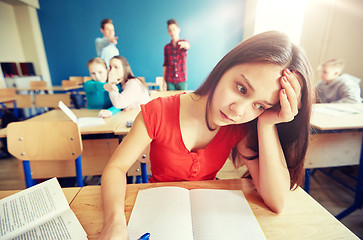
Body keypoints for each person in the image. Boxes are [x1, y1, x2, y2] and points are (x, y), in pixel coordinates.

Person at [97, 31, 315, 239]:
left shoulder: (240, 127)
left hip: (207, 216)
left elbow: (277, 201)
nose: (238, 111)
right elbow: (116, 168)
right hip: (157, 213)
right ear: (224, 67)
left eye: (259, 106)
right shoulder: (157, 112)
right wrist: (114, 222)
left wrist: (267, 124)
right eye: (241, 88)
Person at [162, 19, 190, 91]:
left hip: (182, 79)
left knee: (182, 100)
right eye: (170, 30)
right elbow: (165, 64)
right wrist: (163, 81)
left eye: (174, 29)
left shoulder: (183, 42)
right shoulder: (167, 47)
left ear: (178, 30)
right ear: (168, 32)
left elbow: (187, 46)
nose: (172, 32)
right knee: (170, 101)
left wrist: (185, 45)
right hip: (170, 80)